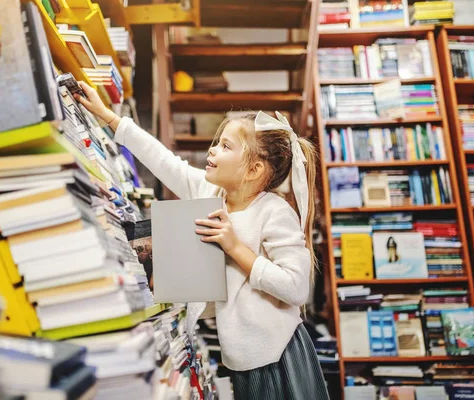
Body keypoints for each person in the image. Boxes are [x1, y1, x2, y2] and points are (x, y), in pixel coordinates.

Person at [76, 82, 330, 400]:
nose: (212, 150)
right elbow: (165, 162)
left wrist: (235, 247)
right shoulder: (211, 193)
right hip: (243, 353)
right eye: (217, 143)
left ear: (253, 169)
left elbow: (296, 288)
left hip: (277, 355)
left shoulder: (273, 212)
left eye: (225, 147)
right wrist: (109, 118)